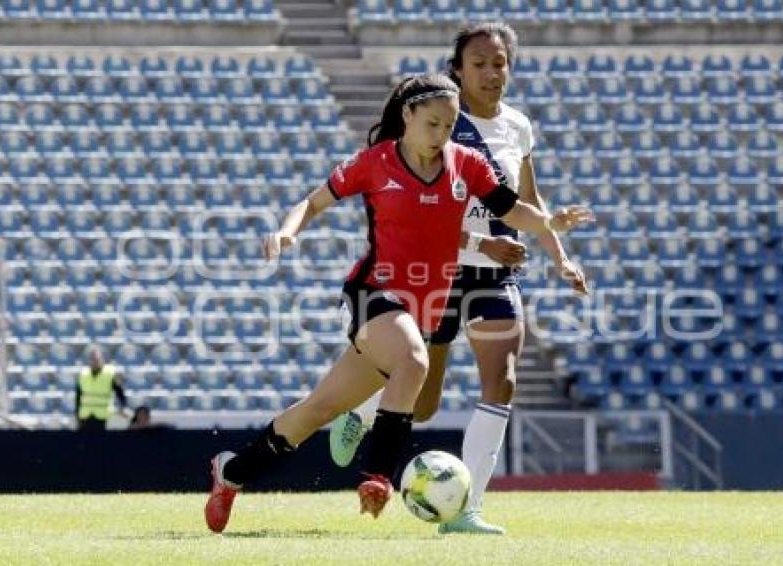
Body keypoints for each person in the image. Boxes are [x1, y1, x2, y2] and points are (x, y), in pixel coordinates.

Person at [204, 73, 593, 533]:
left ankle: (230, 473)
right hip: (373, 293)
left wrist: (551, 223)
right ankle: (378, 477)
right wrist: (288, 232)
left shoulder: (466, 164)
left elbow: (512, 209)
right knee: (414, 361)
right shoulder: (374, 162)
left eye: (449, 126)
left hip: (420, 309)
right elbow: (312, 203)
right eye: (432, 124)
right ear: (407, 116)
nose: (440, 136)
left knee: (317, 411)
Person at [328, 22, 587, 535]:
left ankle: (468, 511)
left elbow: (527, 204)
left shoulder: (518, 127)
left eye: (499, 63)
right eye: (480, 64)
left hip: (496, 277)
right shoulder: (439, 126)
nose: (492, 73)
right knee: (422, 405)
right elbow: (415, 214)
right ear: (458, 70)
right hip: (437, 272)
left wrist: (560, 256)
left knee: (504, 379)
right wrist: (478, 243)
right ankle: (364, 408)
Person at [75, 347, 129, 432]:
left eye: (97, 359)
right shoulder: (83, 374)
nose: (95, 362)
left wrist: (123, 407)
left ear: (102, 359)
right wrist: (77, 414)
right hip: (85, 416)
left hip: (103, 416)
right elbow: (78, 396)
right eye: (93, 359)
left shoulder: (110, 373)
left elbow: (120, 392)